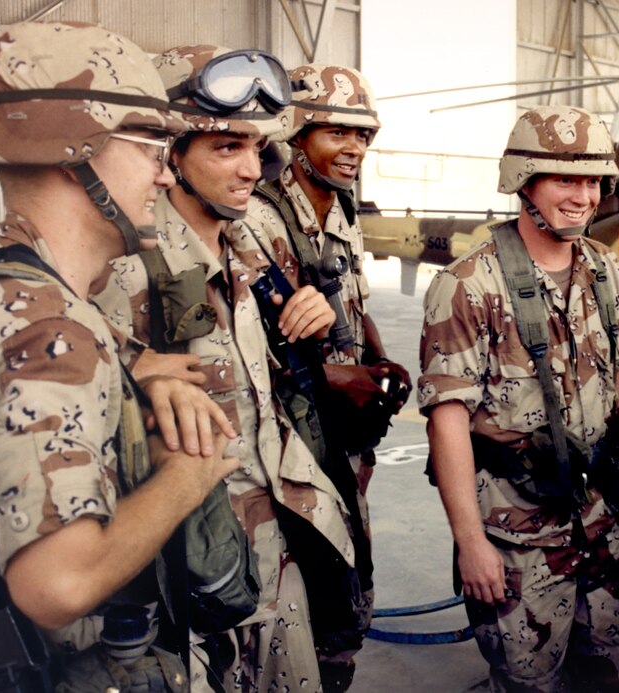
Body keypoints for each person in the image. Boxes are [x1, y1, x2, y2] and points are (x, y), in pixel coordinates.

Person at [0, 21, 238, 690]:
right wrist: (188, 475)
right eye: (151, 145)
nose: (166, 171)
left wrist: (141, 367)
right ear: (74, 147)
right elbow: (57, 583)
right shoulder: (52, 336)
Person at [91, 45, 359, 692]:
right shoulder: (125, 272)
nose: (248, 169)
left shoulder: (255, 245)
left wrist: (312, 321)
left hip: (280, 556)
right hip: (194, 578)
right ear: (170, 156)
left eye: (255, 148)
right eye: (223, 147)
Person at [419, 104, 619, 692]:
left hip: (598, 518)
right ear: (524, 181)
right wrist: (470, 543)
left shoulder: (601, 269)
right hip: (514, 532)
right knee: (530, 679)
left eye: (592, 180)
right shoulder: (470, 284)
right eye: (565, 178)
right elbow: (448, 421)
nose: (583, 196)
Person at [241, 62, 411, 687]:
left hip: (341, 441)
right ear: (297, 130)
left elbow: (348, 297)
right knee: (299, 580)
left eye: (363, 136)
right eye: (338, 133)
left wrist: (376, 357)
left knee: (348, 573)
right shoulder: (257, 216)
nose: (354, 149)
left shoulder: (339, 207)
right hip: (288, 444)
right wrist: (333, 377)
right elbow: (253, 342)